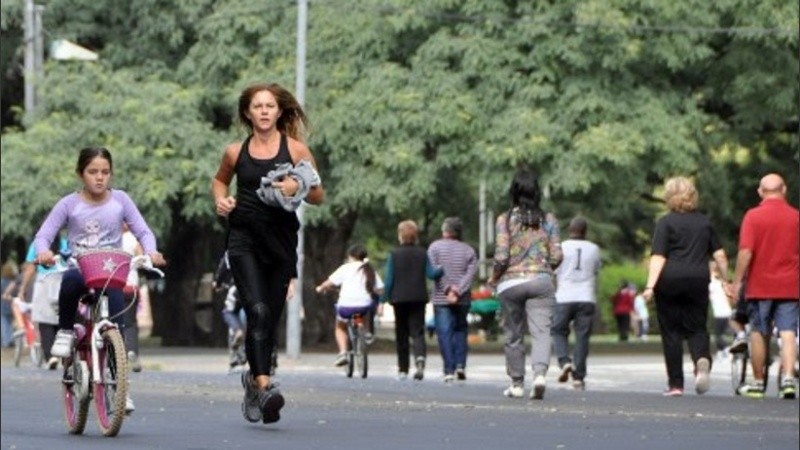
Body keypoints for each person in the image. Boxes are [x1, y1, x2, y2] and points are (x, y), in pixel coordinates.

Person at [212, 82, 324, 424]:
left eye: (269, 106)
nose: (263, 111)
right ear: (248, 113)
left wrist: (297, 185)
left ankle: (252, 381)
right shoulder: (235, 152)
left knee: (268, 319)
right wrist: (221, 201)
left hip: (280, 242)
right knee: (257, 311)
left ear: (278, 111)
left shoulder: (296, 150)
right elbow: (220, 181)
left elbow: (318, 195)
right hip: (243, 239)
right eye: (257, 106)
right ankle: (265, 386)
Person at [32, 147, 166, 414]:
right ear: (80, 174)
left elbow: (143, 231)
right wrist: (44, 252)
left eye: (105, 172)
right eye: (93, 172)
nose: (99, 177)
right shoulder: (69, 204)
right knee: (70, 282)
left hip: (110, 272)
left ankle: (120, 389)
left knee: (116, 328)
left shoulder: (121, 200)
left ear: (111, 174)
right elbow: (43, 235)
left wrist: (151, 251)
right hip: (80, 267)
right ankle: (65, 331)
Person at [642, 176, 728, 397]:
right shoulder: (704, 223)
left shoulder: (665, 223)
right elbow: (720, 255)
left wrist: (650, 286)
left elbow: (658, 257)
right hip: (698, 279)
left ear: (669, 197)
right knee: (697, 326)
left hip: (669, 281)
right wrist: (726, 281)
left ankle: (676, 384)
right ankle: (701, 359)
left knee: (671, 331)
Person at [489, 169, 563, 399]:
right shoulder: (549, 220)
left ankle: (517, 384)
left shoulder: (504, 220)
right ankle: (539, 376)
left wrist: (494, 277)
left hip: (510, 283)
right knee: (542, 332)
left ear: (513, 192)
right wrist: (545, 267)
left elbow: (501, 256)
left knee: (513, 334)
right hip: (541, 282)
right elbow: (557, 255)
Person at [729, 173, 799, 399]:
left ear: (760, 192)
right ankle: (788, 380)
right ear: (784, 190)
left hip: (760, 286)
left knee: (759, 332)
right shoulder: (795, 217)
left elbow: (745, 252)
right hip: (790, 286)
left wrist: (737, 282)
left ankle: (758, 383)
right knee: (788, 332)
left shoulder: (753, 216)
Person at [381, 220, 443, 381]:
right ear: (416, 236)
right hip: (418, 297)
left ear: (400, 235)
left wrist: (383, 299)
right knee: (417, 331)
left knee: (401, 333)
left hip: (399, 298)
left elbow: (389, 279)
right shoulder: (423, 253)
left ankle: (403, 369)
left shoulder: (394, 254)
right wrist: (442, 270)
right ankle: (420, 358)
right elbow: (431, 274)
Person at [551, 216, 600, 391]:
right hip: (586, 297)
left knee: (558, 330)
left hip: (564, 296)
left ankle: (564, 361)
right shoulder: (594, 249)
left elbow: (553, 271)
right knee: (582, 337)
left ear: (570, 230)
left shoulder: (561, 247)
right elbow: (595, 270)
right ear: (585, 231)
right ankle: (578, 377)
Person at [316, 244, 383, 366]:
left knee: (340, 327)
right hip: (363, 307)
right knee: (361, 312)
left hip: (346, 307)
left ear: (351, 256)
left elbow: (329, 283)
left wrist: (320, 288)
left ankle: (343, 353)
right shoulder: (369, 269)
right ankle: (365, 331)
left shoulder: (345, 268)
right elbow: (380, 288)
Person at [429, 217, 478, 383]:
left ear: (444, 230)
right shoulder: (469, 250)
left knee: (444, 333)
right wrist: (458, 290)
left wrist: (447, 289)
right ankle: (460, 365)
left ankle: (448, 370)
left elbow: (434, 272)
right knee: (460, 330)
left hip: (441, 298)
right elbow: (470, 274)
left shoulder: (434, 248)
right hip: (462, 299)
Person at [18, 236, 70, 369]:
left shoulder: (36, 245)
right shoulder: (65, 243)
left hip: (43, 282)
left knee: (44, 321)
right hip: (62, 281)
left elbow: (30, 268)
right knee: (61, 319)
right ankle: (64, 355)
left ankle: (51, 356)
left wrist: (22, 289)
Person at [121, 223, 144, 373]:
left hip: (111, 286)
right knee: (130, 323)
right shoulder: (133, 239)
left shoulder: (107, 238)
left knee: (112, 321)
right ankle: (132, 351)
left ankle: (115, 355)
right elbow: (141, 260)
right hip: (130, 286)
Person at [708, 263, 733, 360]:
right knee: (720, 333)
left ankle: (726, 349)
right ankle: (721, 352)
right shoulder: (720, 282)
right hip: (726, 311)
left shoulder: (712, 283)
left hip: (720, 312)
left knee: (718, 335)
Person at [0, 259, 18, 348]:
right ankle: (11, 340)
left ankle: (6, 342)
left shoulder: (1, 281)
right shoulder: (14, 282)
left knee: (4, 324)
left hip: (3, 306)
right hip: (12, 305)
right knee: (11, 324)